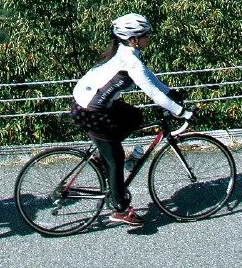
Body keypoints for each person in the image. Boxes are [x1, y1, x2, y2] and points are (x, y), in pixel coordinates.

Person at [70, 13, 193, 228]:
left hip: (90, 103)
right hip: (90, 109)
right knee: (116, 158)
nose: (149, 38)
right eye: (146, 35)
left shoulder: (126, 52)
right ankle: (120, 209)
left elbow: (150, 79)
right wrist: (181, 112)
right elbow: (152, 93)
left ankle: (103, 157)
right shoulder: (129, 60)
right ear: (134, 38)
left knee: (134, 116)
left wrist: (171, 93)